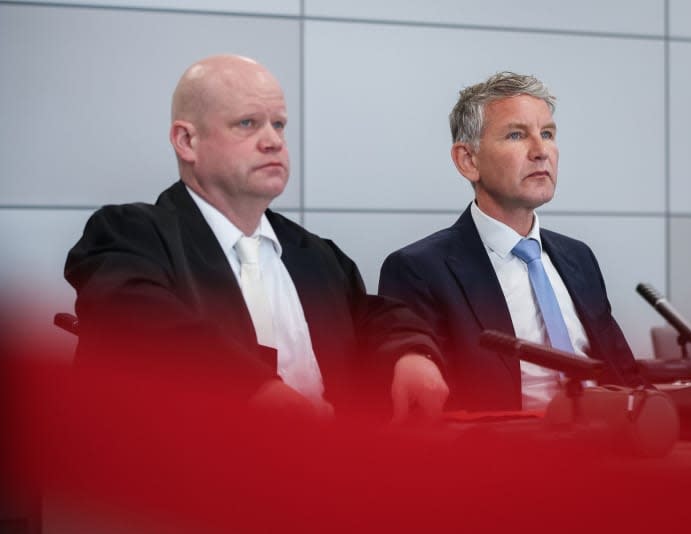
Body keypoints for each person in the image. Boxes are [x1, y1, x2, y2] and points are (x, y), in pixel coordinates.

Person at [65, 54, 448, 421]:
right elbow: (139, 320)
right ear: (187, 141)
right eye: (247, 123)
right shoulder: (131, 234)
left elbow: (374, 317)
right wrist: (252, 388)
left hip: (327, 477)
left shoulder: (315, 254)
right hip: (187, 481)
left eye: (278, 125)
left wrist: (412, 356)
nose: (273, 142)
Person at [379, 72, 642, 411]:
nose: (540, 151)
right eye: (517, 135)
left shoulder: (579, 258)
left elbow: (625, 374)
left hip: (610, 446)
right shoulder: (419, 270)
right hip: (506, 455)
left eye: (547, 134)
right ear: (468, 160)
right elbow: (436, 406)